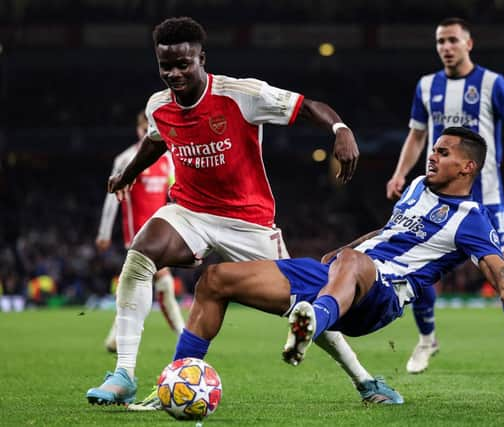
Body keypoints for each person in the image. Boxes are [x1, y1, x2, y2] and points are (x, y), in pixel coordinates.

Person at [86, 16, 402, 408]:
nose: (173, 73)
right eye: (165, 66)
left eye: (183, 64)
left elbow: (308, 107)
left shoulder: (242, 94)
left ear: (202, 58)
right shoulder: (159, 106)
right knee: (140, 252)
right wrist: (127, 173)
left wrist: (340, 129)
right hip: (190, 212)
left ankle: (366, 381)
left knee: (304, 306)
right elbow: (157, 140)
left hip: (249, 223)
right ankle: (124, 374)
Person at [170, 127, 504, 402]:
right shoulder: (415, 186)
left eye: (444, 152)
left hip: (382, 297)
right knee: (214, 278)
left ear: (467, 166)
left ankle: (311, 322)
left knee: (353, 263)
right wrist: (340, 251)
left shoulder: (472, 220)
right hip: (343, 277)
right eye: (433, 150)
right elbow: (386, 231)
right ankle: (177, 379)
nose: (432, 156)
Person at [385, 17, 504, 375]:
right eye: (441, 41)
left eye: (453, 40)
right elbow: (416, 136)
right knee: (418, 270)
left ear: (468, 44)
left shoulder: (492, 83)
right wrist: (400, 172)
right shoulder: (427, 86)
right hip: (437, 199)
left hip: (487, 200)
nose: (446, 47)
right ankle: (427, 338)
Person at [96, 111, 184, 353]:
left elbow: (176, 193)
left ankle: (115, 337)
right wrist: (104, 232)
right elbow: (112, 197)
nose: (148, 133)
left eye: (152, 129)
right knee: (159, 282)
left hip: (161, 231)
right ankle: (184, 335)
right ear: (138, 130)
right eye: (144, 129)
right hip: (136, 233)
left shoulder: (167, 160)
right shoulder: (125, 159)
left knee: (142, 284)